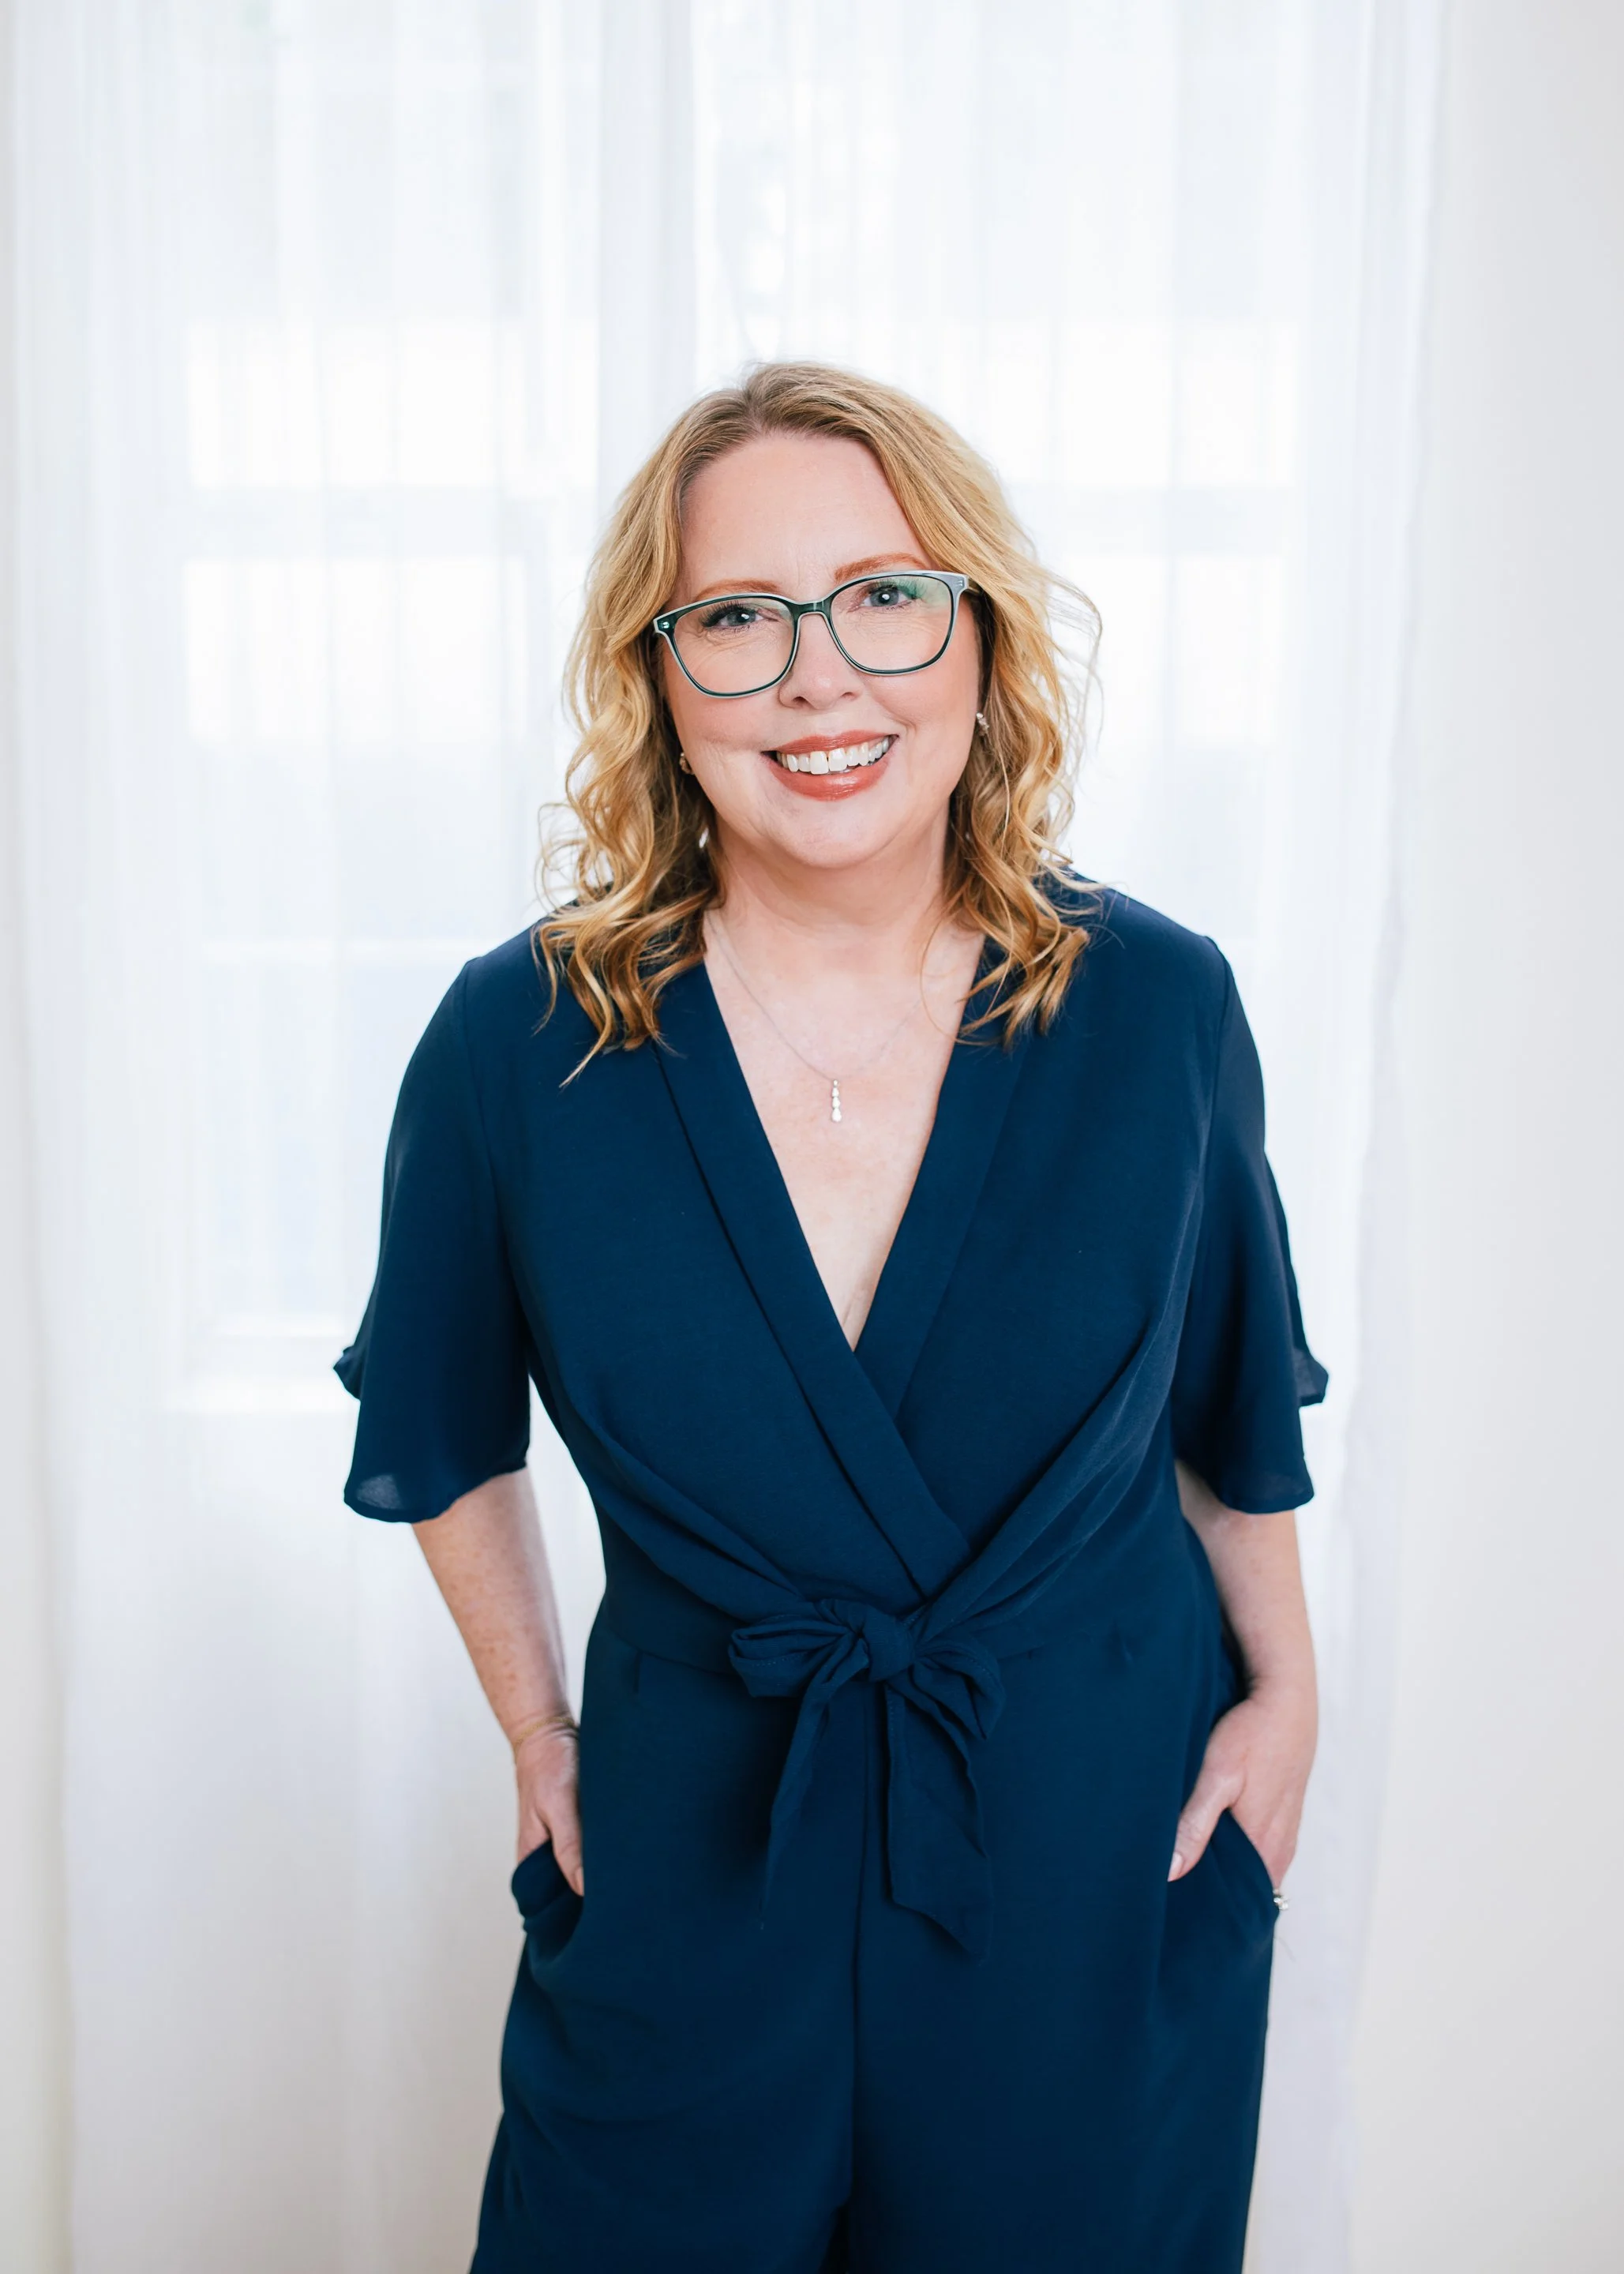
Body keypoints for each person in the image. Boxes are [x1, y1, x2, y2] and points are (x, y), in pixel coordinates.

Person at [336, 361, 1326, 2274]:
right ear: (657, 680)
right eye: (735, 618)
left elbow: (1235, 1400)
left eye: (881, 595)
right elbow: (439, 1425)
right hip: (696, 1856)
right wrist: (540, 1732)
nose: (817, 677)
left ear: (976, 634)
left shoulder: (1160, 1013)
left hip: (1090, 1868)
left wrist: (1288, 1691)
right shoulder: (514, 1044)